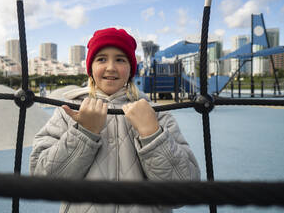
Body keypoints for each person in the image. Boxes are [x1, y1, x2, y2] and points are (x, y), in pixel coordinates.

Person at [30, 27, 200, 213]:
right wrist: (83, 133)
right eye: (101, 59)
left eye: (120, 59)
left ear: (130, 68)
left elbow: (184, 192)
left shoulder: (155, 113)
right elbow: (43, 183)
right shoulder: (68, 110)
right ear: (91, 67)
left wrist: (153, 136)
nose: (110, 67)